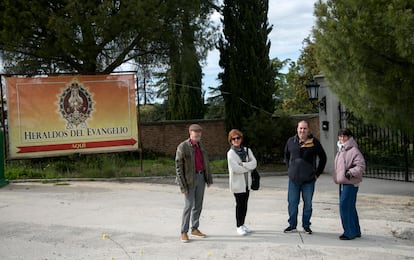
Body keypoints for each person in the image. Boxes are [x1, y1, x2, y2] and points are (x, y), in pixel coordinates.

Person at [283, 120, 327, 234]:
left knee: (308, 204)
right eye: (300, 128)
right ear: (297, 129)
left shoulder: (314, 142)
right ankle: (292, 225)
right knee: (292, 203)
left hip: (308, 181)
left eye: (304, 128)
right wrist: (290, 169)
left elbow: (323, 158)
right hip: (293, 180)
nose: (302, 130)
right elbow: (286, 156)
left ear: (308, 130)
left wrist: (317, 174)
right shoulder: (291, 141)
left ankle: (306, 225)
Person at [175, 124, 213, 243]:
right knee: (188, 206)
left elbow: (205, 163)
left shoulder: (200, 146)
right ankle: (184, 232)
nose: (197, 137)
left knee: (198, 205)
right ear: (190, 133)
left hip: (201, 177)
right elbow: (178, 168)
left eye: (199, 135)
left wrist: (208, 179)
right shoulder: (183, 147)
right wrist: (182, 185)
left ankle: (195, 228)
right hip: (189, 180)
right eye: (195, 135)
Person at [333, 128, 365, 240]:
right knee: (350, 207)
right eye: (340, 136)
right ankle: (355, 230)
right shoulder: (342, 149)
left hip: (350, 183)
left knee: (345, 206)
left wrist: (350, 172)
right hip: (344, 182)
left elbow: (361, 166)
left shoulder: (353, 150)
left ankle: (349, 232)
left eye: (344, 136)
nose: (342, 138)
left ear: (349, 137)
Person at [227, 129, 257, 236]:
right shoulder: (230, 153)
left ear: (241, 139)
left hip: (247, 184)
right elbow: (236, 169)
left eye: (238, 138)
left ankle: (243, 224)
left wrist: (243, 165)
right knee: (239, 205)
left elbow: (254, 163)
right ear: (231, 141)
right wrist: (247, 166)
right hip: (237, 184)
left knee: (245, 205)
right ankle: (238, 226)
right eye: (233, 139)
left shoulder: (247, 150)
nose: (236, 140)